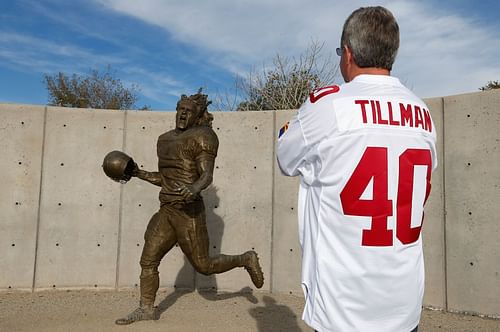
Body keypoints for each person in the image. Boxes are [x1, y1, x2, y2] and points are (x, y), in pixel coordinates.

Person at [277, 6, 437, 332]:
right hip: (404, 304)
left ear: (348, 54)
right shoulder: (423, 113)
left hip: (343, 307)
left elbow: (286, 159)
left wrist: (285, 131)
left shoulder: (328, 104)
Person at [116, 90, 264, 325]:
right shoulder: (163, 139)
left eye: (188, 111)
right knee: (148, 260)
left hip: (188, 211)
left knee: (204, 266)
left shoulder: (204, 136)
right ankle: (146, 308)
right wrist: (138, 173)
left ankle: (245, 259)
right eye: (180, 110)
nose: (182, 114)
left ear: (198, 115)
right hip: (166, 210)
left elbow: (206, 175)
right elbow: (165, 179)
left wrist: (193, 189)